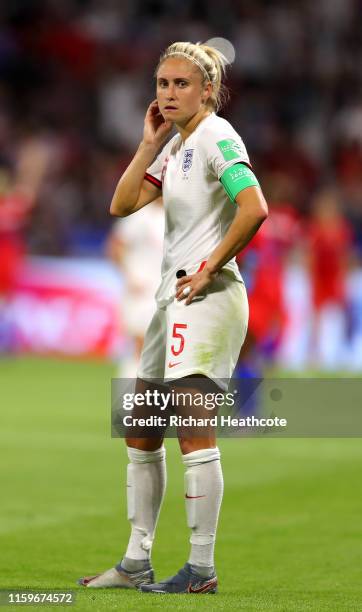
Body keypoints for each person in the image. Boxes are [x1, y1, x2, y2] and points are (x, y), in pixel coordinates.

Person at [79, 41, 268, 594]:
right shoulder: (177, 144)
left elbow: (254, 207)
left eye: (181, 84)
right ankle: (137, 559)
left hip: (206, 298)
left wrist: (210, 266)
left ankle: (201, 569)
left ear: (207, 90)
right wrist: (147, 144)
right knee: (140, 430)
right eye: (162, 84)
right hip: (170, 299)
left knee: (193, 433)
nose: (168, 94)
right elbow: (120, 204)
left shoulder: (216, 135)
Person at [106, 197, 164, 377]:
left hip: (165, 290)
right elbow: (115, 246)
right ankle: (131, 397)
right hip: (143, 292)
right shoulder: (139, 215)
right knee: (143, 344)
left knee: (159, 349)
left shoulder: (178, 215)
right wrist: (130, 276)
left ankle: (145, 397)